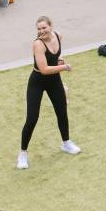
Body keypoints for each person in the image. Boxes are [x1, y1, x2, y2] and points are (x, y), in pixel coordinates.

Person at [17, 17, 79, 169]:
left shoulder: (58, 36)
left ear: (51, 27)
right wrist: (65, 67)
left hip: (54, 81)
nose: (41, 31)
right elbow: (44, 70)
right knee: (32, 118)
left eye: (44, 28)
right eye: (38, 29)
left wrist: (59, 59)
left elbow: (54, 57)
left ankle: (66, 143)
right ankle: (23, 154)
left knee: (62, 112)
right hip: (37, 82)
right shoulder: (38, 44)